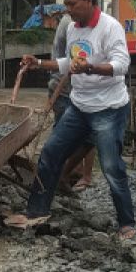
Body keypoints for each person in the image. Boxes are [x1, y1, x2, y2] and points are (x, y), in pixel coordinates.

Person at [6, 0, 136, 240]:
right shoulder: (73, 27)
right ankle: (36, 212)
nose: (67, 10)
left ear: (89, 1)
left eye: (72, 4)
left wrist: (90, 67)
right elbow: (69, 61)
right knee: (50, 154)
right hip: (79, 107)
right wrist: (40, 64)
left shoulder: (110, 27)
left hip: (108, 109)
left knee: (112, 167)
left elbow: (122, 66)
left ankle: (126, 223)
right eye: (66, 4)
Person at [49, 13, 95, 191]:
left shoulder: (87, 24)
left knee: (85, 135)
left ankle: (80, 175)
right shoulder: (70, 24)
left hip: (77, 88)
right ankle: (67, 174)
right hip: (64, 86)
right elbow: (71, 62)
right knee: (67, 136)